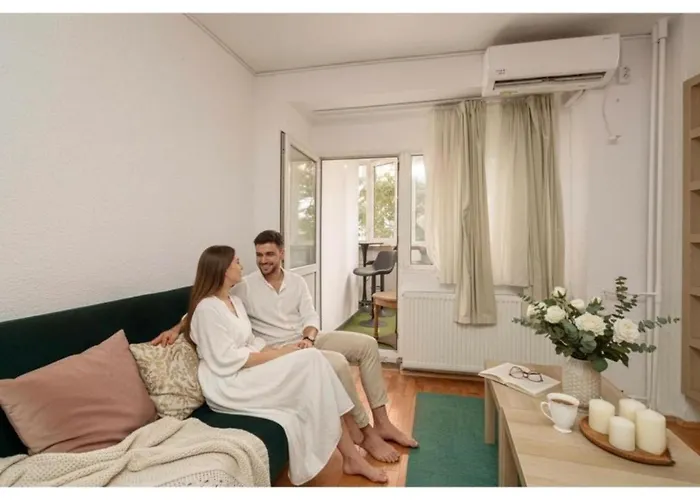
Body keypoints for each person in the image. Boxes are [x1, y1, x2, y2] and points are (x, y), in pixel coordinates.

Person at [153, 231, 418, 464]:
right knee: (336, 363)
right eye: (258, 255)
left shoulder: (297, 282)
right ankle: (365, 432)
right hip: (274, 347)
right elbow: (206, 306)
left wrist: (309, 339)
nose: (263, 260)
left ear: (282, 253)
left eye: (269, 254)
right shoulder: (244, 286)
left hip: (304, 338)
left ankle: (383, 423)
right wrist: (176, 328)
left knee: (367, 345)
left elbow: (310, 316)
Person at [179, 244, 387, 485]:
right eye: (237, 262)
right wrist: (280, 354)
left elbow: (252, 341)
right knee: (312, 363)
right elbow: (226, 358)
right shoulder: (207, 309)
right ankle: (354, 452)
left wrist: (282, 351)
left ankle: (352, 455)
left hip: (248, 367)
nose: (242, 265)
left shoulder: (234, 301)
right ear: (224, 269)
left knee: (313, 360)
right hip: (228, 383)